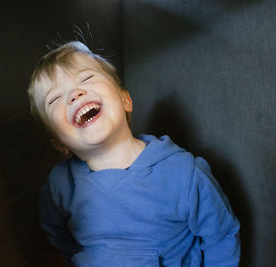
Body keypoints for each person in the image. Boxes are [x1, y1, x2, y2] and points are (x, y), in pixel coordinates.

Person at [27, 40, 240, 266]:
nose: (74, 94)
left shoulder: (183, 174)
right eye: (55, 99)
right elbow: (56, 232)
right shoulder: (59, 186)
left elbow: (221, 236)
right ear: (60, 144)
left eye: (86, 78)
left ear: (125, 100)